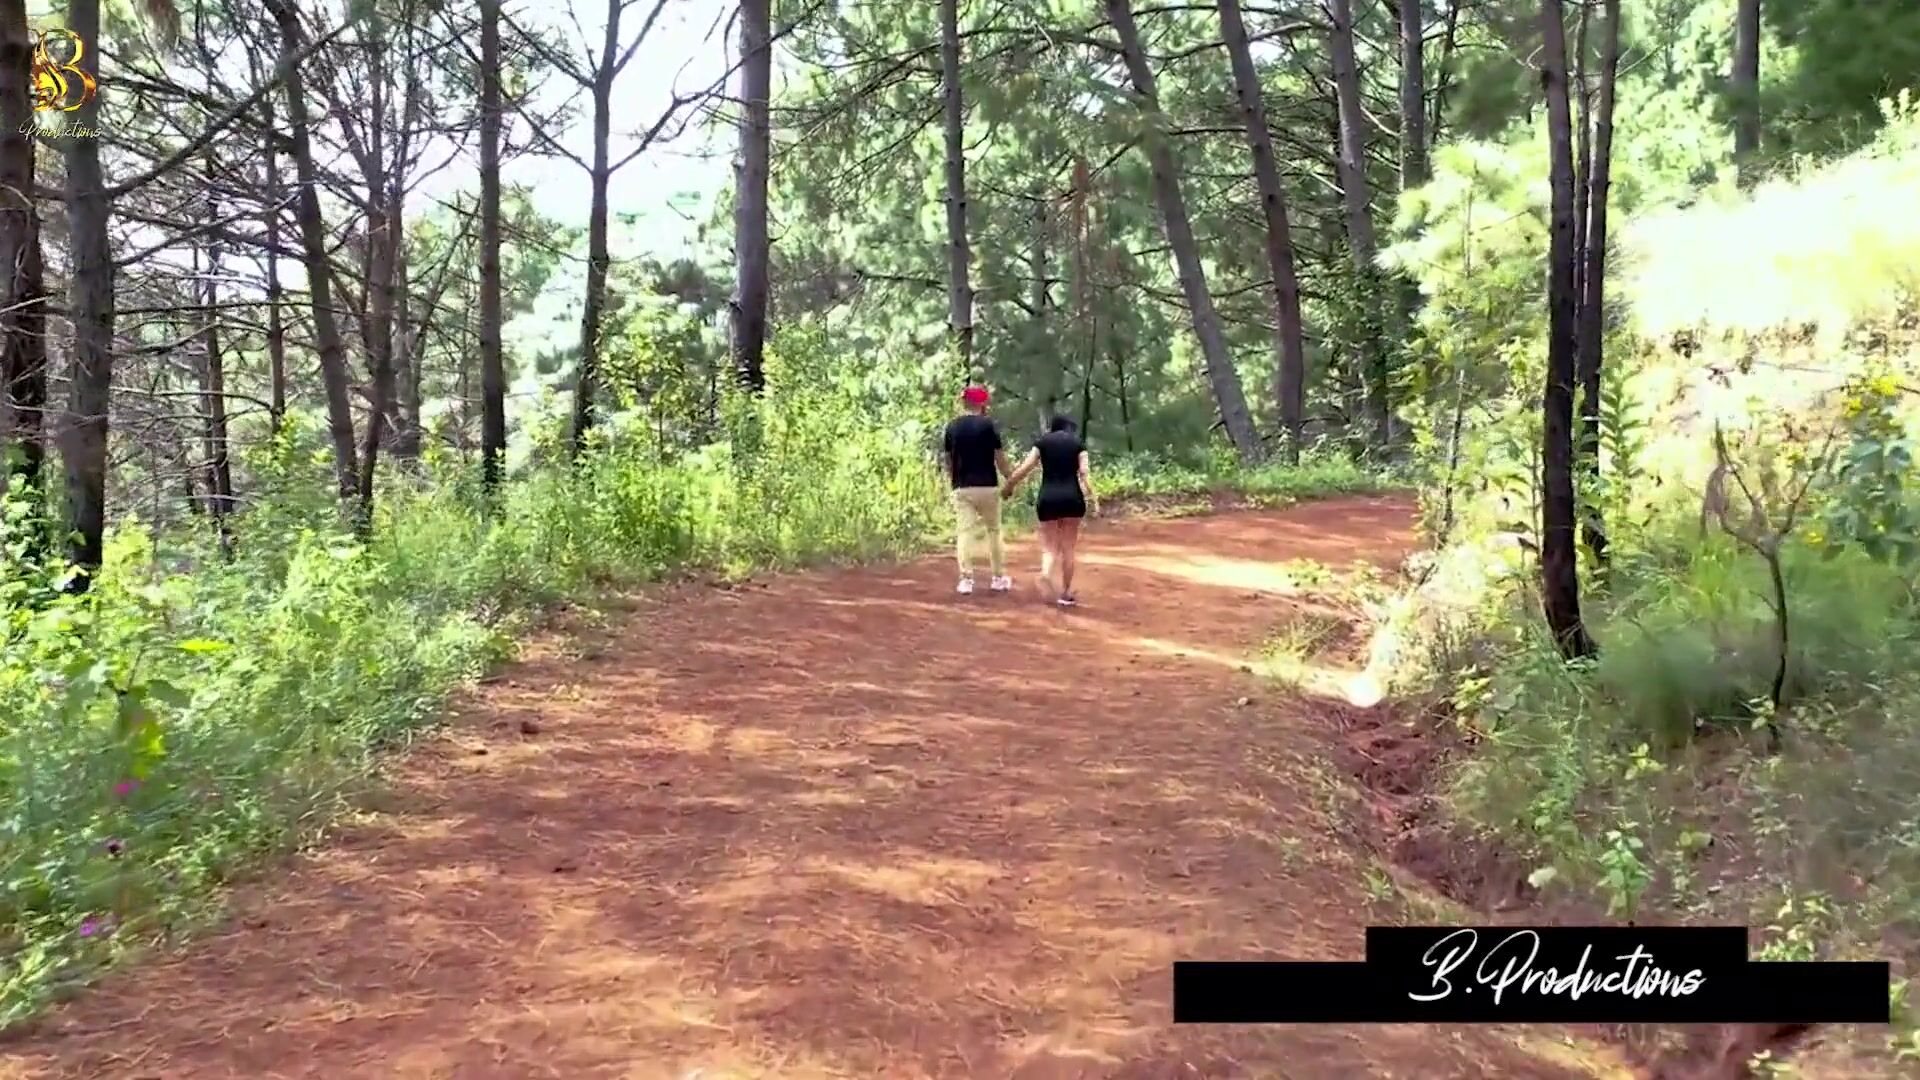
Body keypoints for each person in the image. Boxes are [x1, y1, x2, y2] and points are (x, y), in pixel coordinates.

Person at [1002, 415, 1097, 606]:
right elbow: (1084, 472)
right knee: (1068, 547)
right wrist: (1094, 497)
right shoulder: (1078, 444)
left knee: (1050, 546)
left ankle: (1046, 574)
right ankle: (1066, 593)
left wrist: (1009, 485)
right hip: (1072, 499)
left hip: (1049, 498)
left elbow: (1025, 467)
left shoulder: (1042, 443)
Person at [940, 383, 1014, 595]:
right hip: (988, 486)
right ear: (982, 403)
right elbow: (999, 457)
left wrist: (952, 481)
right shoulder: (988, 426)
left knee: (965, 532)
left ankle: (966, 580)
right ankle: (998, 578)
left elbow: (948, 460)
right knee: (994, 531)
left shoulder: (952, 427)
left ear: (964, 402)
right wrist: (1010, 479)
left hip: (962, 487)